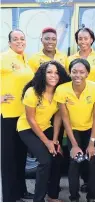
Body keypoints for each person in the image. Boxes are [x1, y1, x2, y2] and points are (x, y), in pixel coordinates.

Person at [17, 61, 70, 202]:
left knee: (57, 156)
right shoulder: (33, 92)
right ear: (42, 74)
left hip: (46, 127)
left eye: (56, 72)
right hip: (27, 128)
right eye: (49, 72)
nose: (53, 75)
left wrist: (55, 139)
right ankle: (38, 199)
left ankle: (52, 196)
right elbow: (31, 119)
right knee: (45, 161)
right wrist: (47, 143)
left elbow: (58, 116)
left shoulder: (59, 92)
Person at [54, 58, 95, 202]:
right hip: (73, 130)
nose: (78, 75)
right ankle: (74, 197)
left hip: (90, 129)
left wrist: (92, 143)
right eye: (74, 71)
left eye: (82, 72)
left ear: (87, 73)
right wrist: (74, 145)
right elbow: (65, 118)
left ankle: (91, 197)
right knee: (75, 161)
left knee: (91, 161)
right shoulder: (62, 89)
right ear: (70, 72)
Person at [67, 27, 95, 193]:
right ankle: (84, 180)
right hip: (76, 108)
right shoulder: (70, 59)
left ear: (92, 39)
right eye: (80, 38)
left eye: (86, 38)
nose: (83, 41)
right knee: (79, 149)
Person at [1, 29, 34, 202]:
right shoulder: (4, 57)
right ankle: (9, 196)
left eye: (22, 38)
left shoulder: (25, 59)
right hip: (8, 115)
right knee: (9, 158)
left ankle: (22, 191)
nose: (19, 41)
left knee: (21, 155)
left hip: (24, 115)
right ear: (9, 42)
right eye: (15, 39)